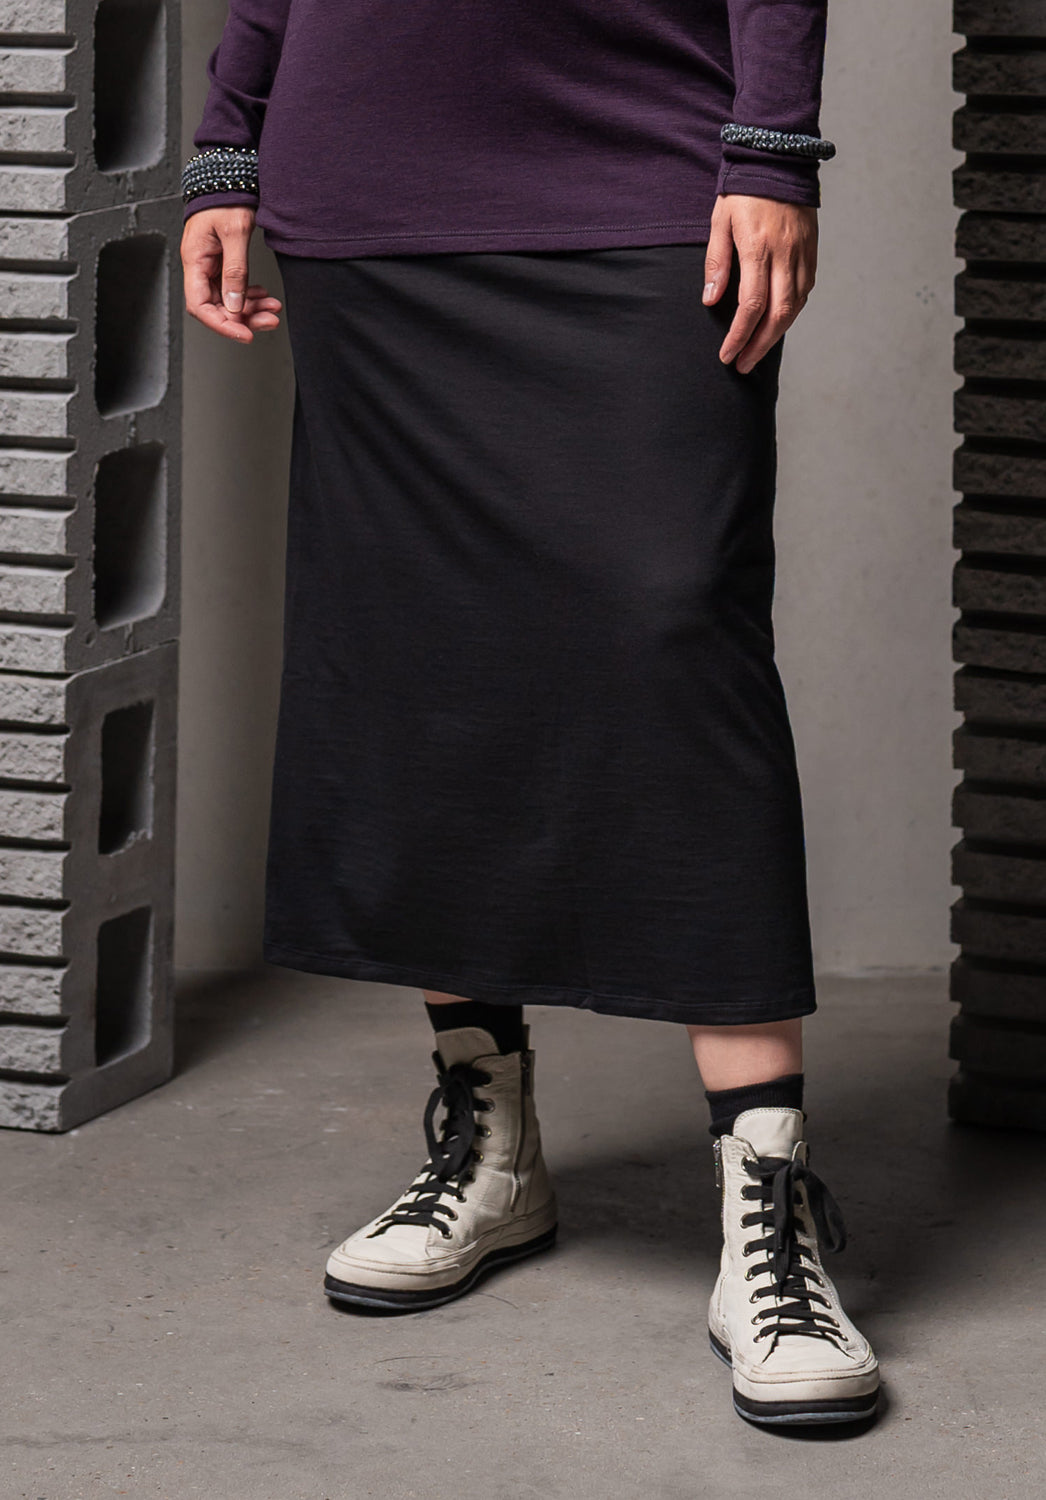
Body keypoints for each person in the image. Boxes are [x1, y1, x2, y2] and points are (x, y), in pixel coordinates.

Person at [181, 0, 880, 1428]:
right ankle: (488, 1143)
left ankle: (769, 1200)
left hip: (642, 164)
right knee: (427, 649)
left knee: (673, 636)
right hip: (370, 189)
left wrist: (769, 145)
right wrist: (227, 147)